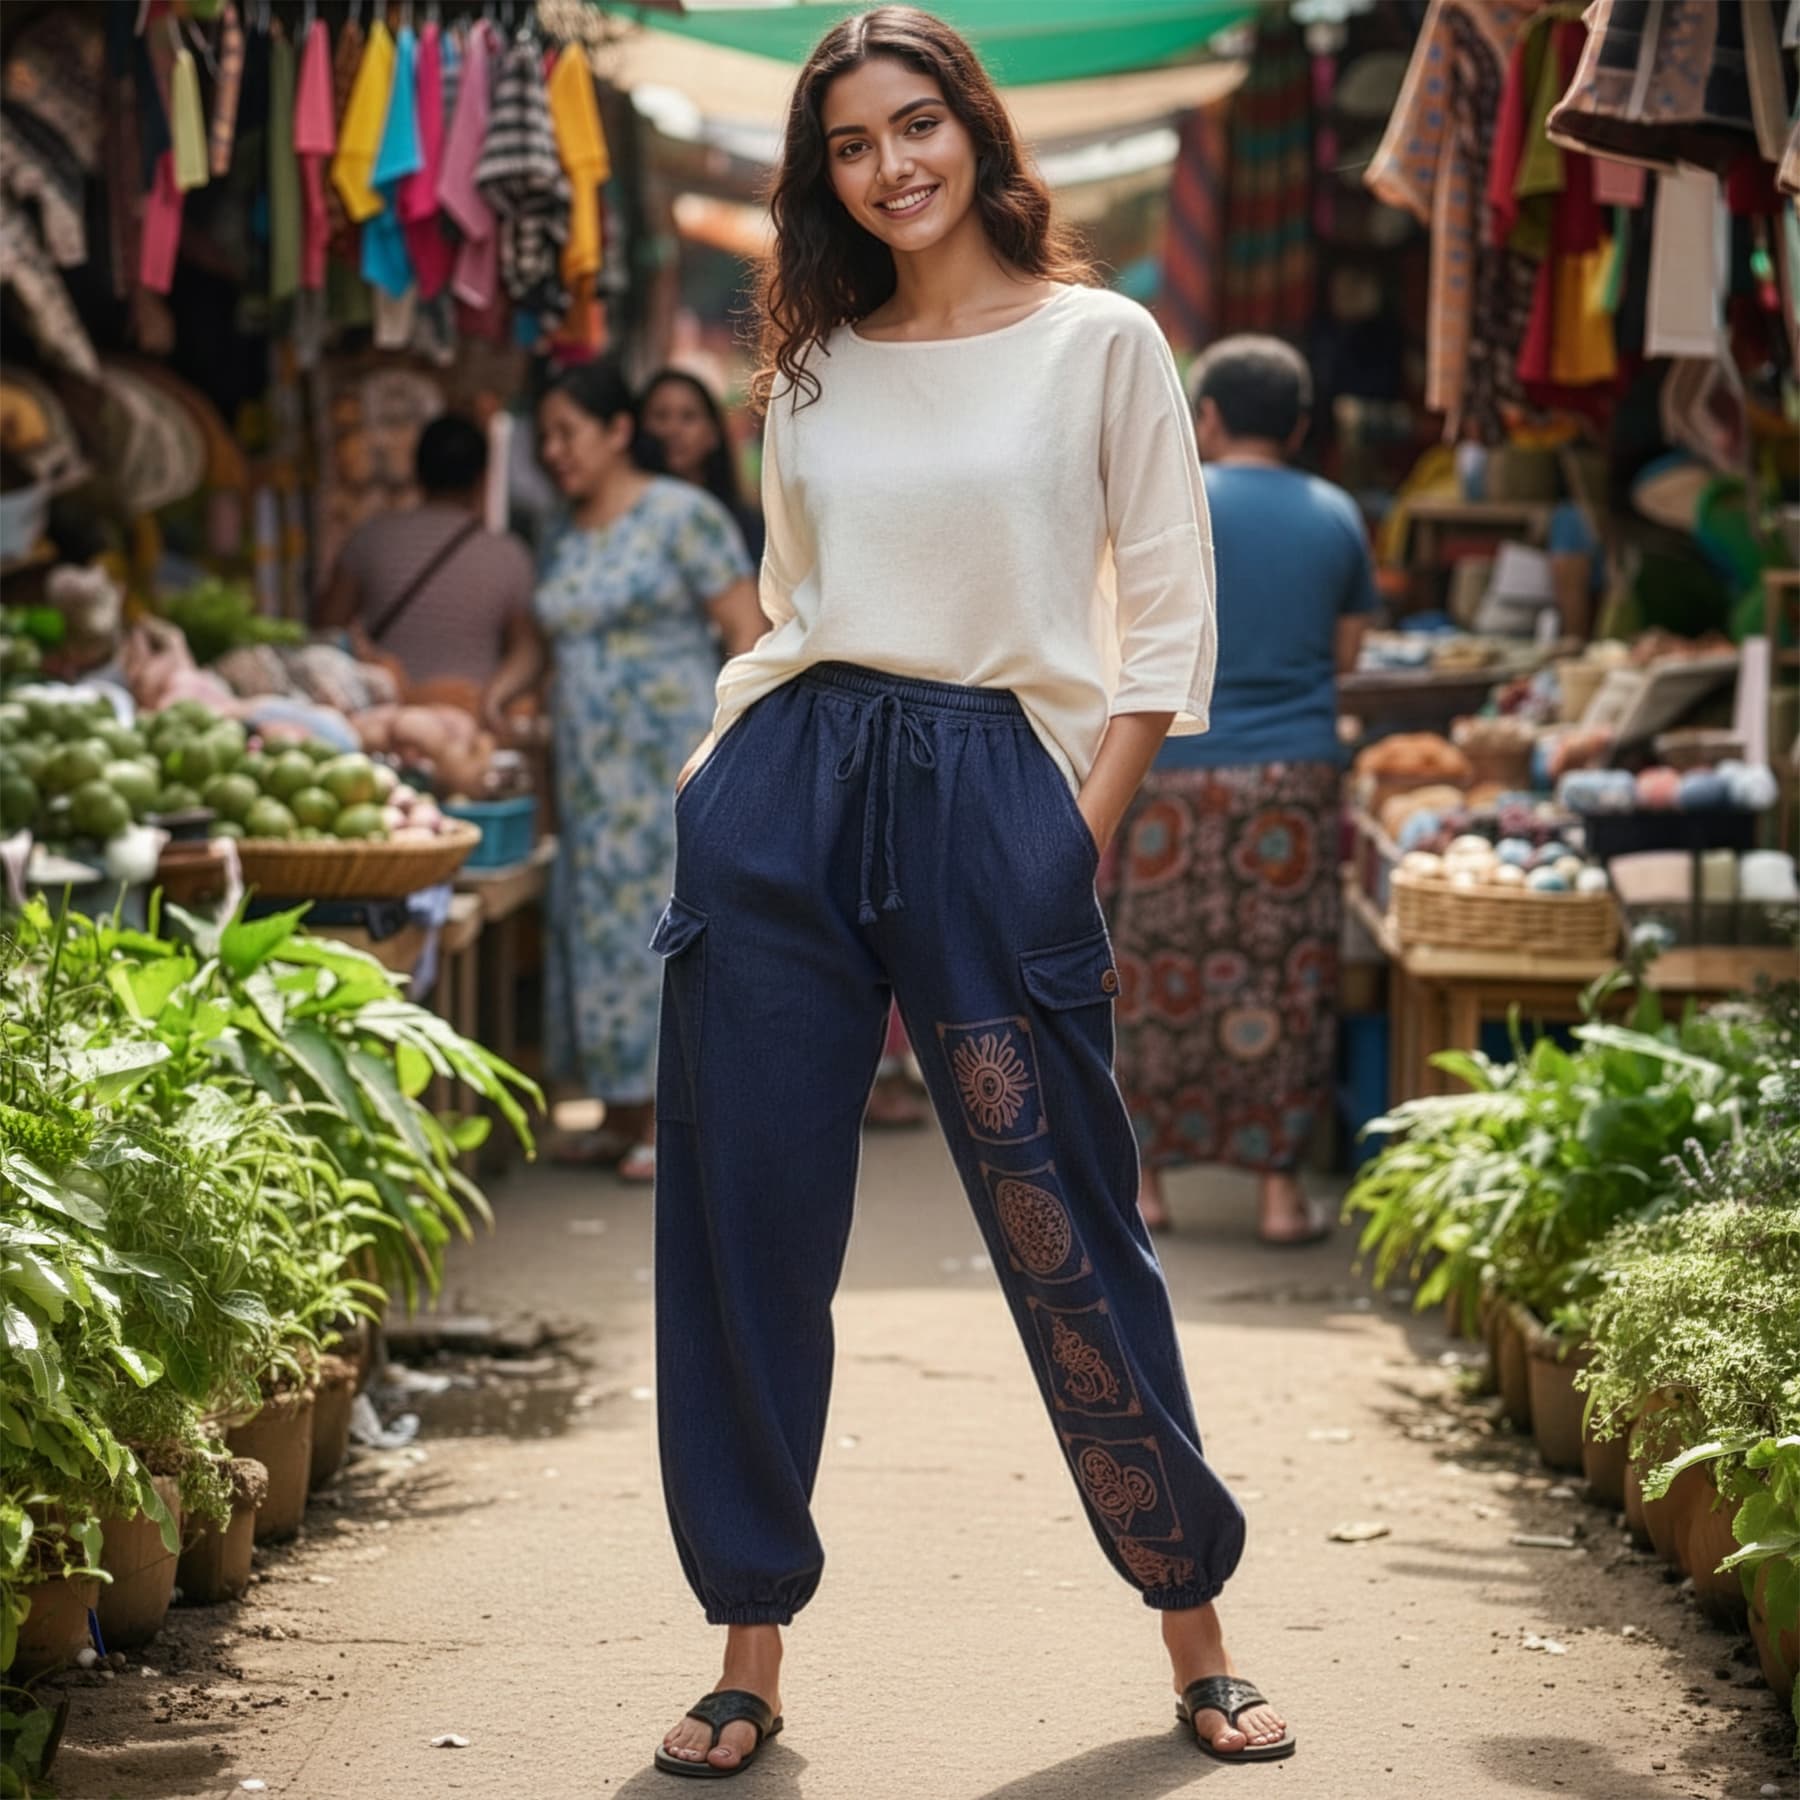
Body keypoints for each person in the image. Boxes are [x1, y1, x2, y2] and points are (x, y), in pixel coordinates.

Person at [651, 7, 1294, 1779]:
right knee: (745, 1223)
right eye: (849, 145)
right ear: (822, 176)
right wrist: (719, 780)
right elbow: (793, 603)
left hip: (995, 789)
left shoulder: (1102, 342)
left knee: (1063, 1212)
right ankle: (749, 1646)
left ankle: (1195, 1624)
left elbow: (1163, 624)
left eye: (913, 125)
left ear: (976, 130)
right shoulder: (811, 363)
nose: (889, 168)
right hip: (787, 792)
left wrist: (1069, 833)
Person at [1100, 336, 1376, 1243]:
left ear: (1204, 418)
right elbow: (1346, 659)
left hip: (1167, 773)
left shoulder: (1172, 507)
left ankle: (1148, 1188)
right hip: (1291, 782)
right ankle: (1279, 1198)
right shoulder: (1337, 514)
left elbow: (1123, 640)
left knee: (1154, 973)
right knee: (1285, 978)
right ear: (1300, 426)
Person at [485, 357, 765, 1182]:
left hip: (671, 766)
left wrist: (737, 752)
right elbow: (541, 641)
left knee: (665, 934)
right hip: (586, 779)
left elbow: (745, 634)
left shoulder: (684, 516)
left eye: (570, 434)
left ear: (616, 432)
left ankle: (669, 1121)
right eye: (547, 440)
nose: (557, 453)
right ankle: (616, 1110)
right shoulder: (564, 535)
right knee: (599, 934)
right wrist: (500, 695)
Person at [318, 412, 536, 714]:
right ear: (483, 478)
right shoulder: (509, 554)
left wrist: (363, 657)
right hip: (473, 720)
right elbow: (526, 648)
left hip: (386, 718)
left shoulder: (371, 538)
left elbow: (324, 630)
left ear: (416, 471)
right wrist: (496, 695)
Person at [640, 369, 768, 564]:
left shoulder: (744, 529)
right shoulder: (624, 520)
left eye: (688, 417)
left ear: (713, 434)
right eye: (661, 416)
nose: (673, 430)